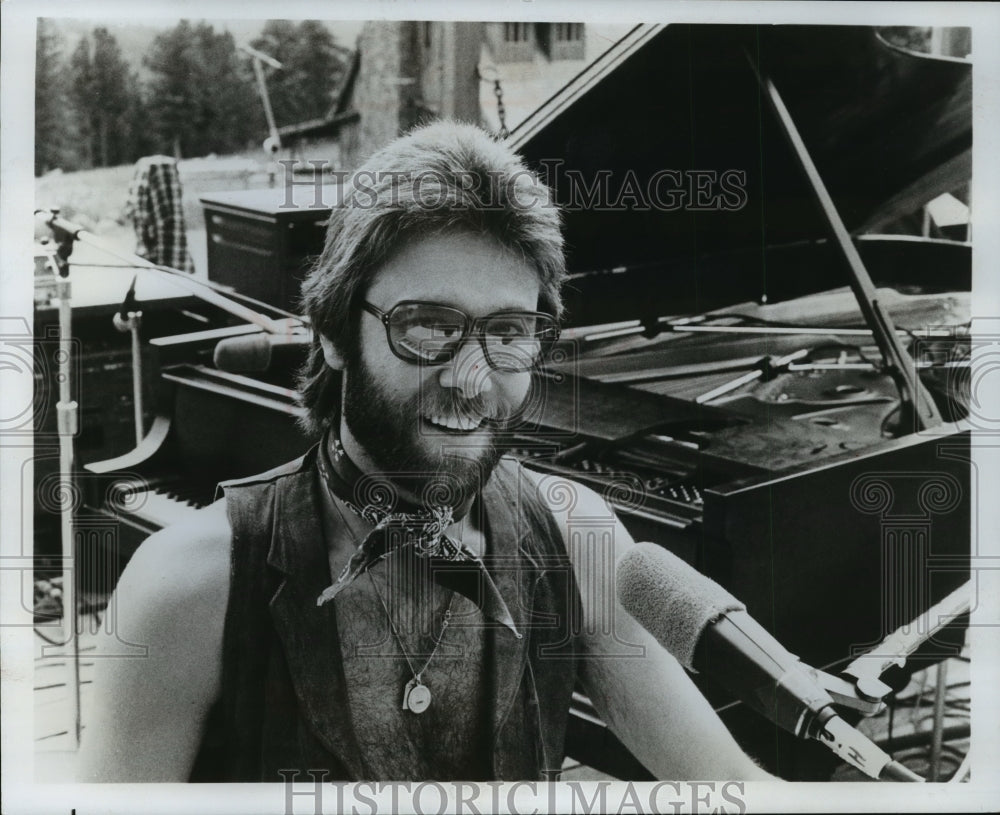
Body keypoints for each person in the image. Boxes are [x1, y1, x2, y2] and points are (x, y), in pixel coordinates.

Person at [78, 122, 770, 783]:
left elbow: (735, 783)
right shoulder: (187, 586)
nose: (471, 377)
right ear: (333, 332)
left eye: (508, 331)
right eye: (428, 326)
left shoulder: (577, 538)